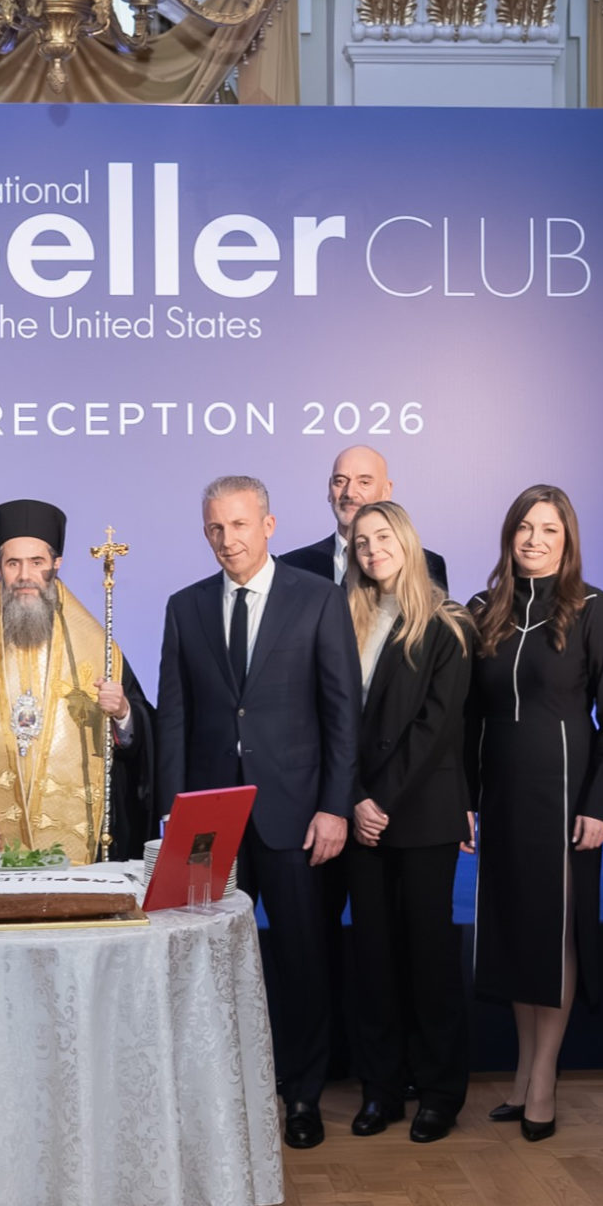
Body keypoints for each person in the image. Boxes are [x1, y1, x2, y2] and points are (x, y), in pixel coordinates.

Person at [158, 474, 361, 1149]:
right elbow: (175, 721)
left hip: (296, 816)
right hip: (207, 822)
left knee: (302, 958)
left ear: (268, 526)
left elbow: (342, 714)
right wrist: (173, 815)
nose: (227, 539)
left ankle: (301, 1096)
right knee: (204, 960)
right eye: (215, 527)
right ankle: (214, 1098)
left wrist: (334, 807)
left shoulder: (318, 599)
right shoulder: (185, 607)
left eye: (239, 525)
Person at [466, 485, 603, 1142]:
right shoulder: (483, 611)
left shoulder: (593, 609)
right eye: (525, 528)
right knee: (514, 933)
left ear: (568, 540)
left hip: (563, 794)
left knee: (554, 933)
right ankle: (523, 1067)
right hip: (499, 795)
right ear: (509, 536)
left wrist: (599, 805)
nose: (535, 540)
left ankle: (543, 1079)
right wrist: (465, 799)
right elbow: (468, 716)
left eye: (549, 529)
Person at [0, 499, 156, 873]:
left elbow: (144, 737)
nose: (25, 575)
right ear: (0, 569)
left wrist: (123, 714)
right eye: (13, 563)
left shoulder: (98, 649)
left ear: (56, 565)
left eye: (37, 562)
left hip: (80, 842)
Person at [340, 500, 473, 1144]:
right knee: (374, 959)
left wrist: (379, 801)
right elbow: (332, 721)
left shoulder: (448, 623)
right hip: (360, 811)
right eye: (361, 542)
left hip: (421, 813)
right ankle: (382, 1090)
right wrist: (354, 798)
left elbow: (435, 728)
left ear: (408, 541)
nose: (372, 550)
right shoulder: (344, 619)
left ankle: (440, 1092)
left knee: (429, 957)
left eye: (382, 537)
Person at [276, 445, 448, 588]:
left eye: (364, 482)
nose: (350, 493)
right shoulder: (291, 566)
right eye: (340, 481)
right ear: (329, 489)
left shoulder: (427, 564)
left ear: (386, 490)